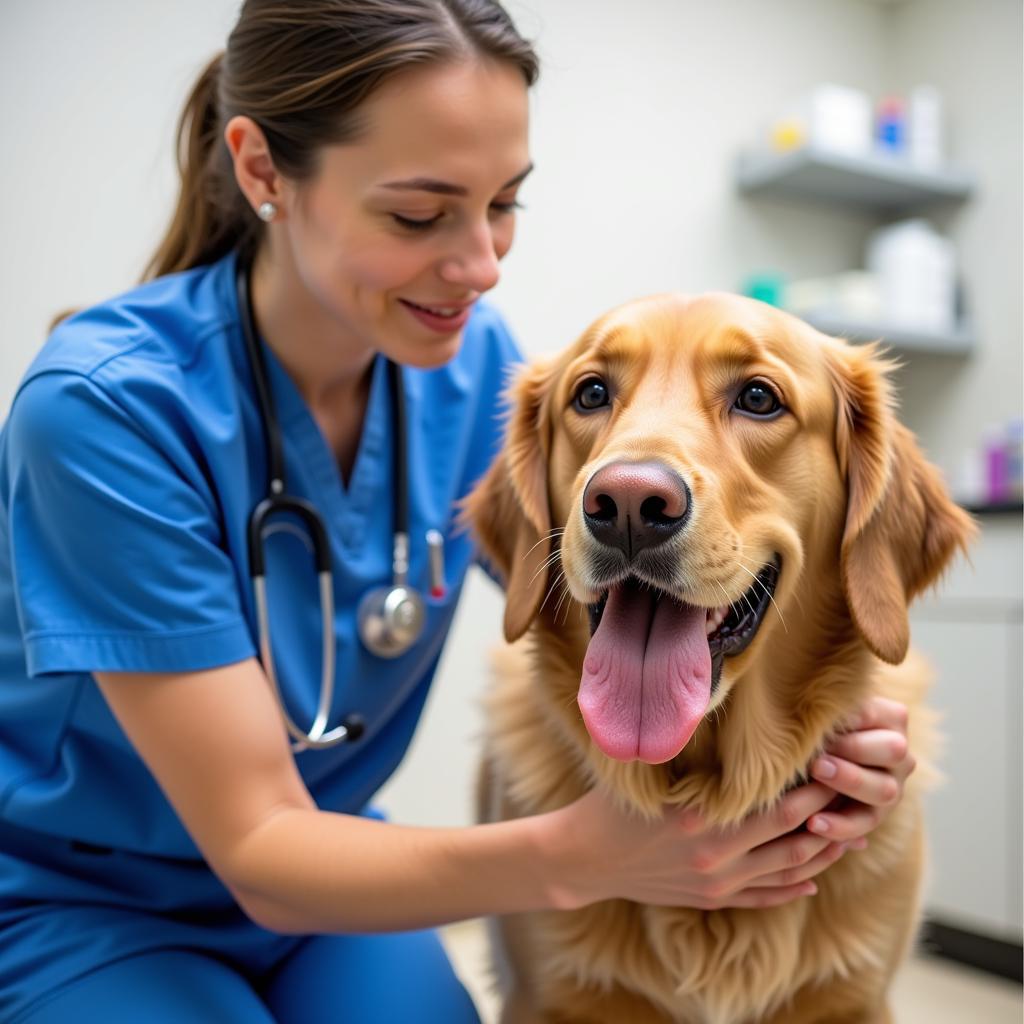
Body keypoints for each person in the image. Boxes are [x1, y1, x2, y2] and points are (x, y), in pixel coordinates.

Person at [0, 2, 916, 1021]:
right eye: (418, 213)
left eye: (503, 204)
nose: (481, 265)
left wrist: (842, 723)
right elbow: (258, 845)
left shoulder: (469, 366)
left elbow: (607, 589)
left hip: (330, 880)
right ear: (262, 171)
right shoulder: (104, 409)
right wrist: (586, 856)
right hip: (84, 899)